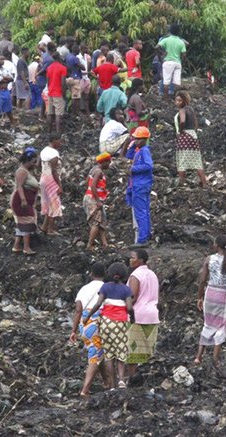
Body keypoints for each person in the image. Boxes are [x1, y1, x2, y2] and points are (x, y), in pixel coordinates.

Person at [195, 236, 226, 368]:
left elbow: (202, 280)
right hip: (223, 296)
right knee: (221, 327)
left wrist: (200, 297)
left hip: (210, 294)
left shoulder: (209, 259)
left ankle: (199, 356)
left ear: (217, 246)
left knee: (208, 324)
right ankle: (215, 359)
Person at [88, 262, 134, 389]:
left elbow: (97, 304)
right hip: (120, 324)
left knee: (109, 355)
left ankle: (112, 386)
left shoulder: (105, 287)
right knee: (121, 352)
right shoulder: (126, 289)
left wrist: (87, 317)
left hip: (106, 324)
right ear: (124, 275)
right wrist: (133, 317)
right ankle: (121, 380)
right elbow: (129, 307)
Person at [69, 262, 107, 395]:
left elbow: (78, 310)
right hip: (98, 323)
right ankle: (85, 390)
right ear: (105, 274)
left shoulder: (83, 289)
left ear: (91, 274)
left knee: (97, 352)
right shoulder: (107, 287)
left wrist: (73, 330)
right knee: (95, 355)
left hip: (84, 325)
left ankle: (106, 382)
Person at [127, 250, 159, 374]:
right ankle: (145, 380)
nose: (130, 260)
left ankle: (133, 380)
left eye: (132, 258)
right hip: (152, 315)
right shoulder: (152, 274)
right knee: (147, 351)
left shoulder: (135, 275)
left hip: (137, 316)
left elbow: (133, 297)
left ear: (140, 260)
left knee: (133, 353)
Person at [126, 127, 154, 245]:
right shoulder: (139, 150)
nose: (136, 141)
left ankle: (142, 239)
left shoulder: (144, 151)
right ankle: (146, 235)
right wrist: (132, 146)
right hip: (140, 184)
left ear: (144, 139)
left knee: (141, 212)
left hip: (140, 185)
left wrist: (133, 169)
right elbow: (128, 156)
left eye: (138, 139)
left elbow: (149, 165)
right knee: (144, 211)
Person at [174, 91, 208, 187]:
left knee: (182, 160)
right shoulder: (191, 110)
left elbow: (182, 121)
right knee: (197, 160)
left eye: (179, 101)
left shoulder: (182, 110)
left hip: (185, 136)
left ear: (184, 101)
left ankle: (182, 183)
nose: (177, 103)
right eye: (176, 100)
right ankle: (204, 183)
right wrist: (193, 133)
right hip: (193, 135)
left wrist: (180, 131)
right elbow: (196, 124)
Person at [10, 147, 39, 255]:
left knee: (21, 223)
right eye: (33, 162)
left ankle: (17, 246)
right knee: (28, 223)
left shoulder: (28, 170)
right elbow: (19, 187)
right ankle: (26, 248)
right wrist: (23, 200)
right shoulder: (21, 171)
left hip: (27, 200)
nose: (35, 164)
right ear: (27, 161)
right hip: (21, 201)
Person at [84, 153, 111, 251]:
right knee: (96, 222)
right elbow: (93, 186)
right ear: (104, 162)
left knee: (102, 221)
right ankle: (89, 244)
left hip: (91, 197)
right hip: (93, 200)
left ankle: (105, 244)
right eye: (109, 162)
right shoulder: (98, 172)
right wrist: (98, 201)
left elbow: (87, 182)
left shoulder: (93, 170)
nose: (109, 164)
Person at [39, 134, 63, 236]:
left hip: (43, 178)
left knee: (47, 203)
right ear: (54, 140)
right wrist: (60, 185)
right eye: (59, 141)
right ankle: (50, 230)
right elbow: (54, 171)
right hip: (51, 180)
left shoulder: (44, 150)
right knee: (54, 204)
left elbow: (37, 164)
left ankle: (44, 227)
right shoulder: (54, 154)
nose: (60, 143)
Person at [158, 24, 187, 96]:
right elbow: (184, 54)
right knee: (177, 82)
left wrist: (162, 55)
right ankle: (177, 97)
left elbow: (157, 47)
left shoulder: (165, 39)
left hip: (168, 61)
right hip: (177, 62)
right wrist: (182, 61)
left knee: (166, 81)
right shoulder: (181, 41)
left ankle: (165, 98)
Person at [45, 52, 67, 133]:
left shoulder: (49, 67)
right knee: (58, 115)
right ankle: (58, 133)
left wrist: (50, 89)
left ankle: (48, 131)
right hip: (58, 93)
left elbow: (47, 81)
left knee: (50, 113)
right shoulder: (62, 68)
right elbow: (63, 83)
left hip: (50, 92)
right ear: (59, 58)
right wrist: (64, 95)